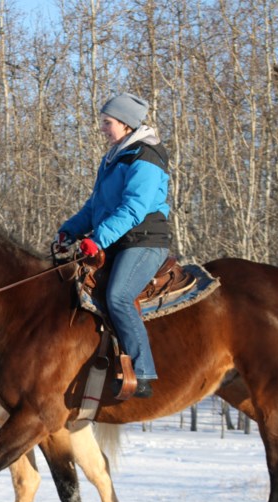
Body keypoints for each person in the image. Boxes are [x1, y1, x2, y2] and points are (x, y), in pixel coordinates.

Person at [54, 93, 171, 398]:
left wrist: (97, 239)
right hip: (118, 240)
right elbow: (96, 206)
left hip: (144, 241)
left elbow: (134, 208)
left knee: (118, 296)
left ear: (125, 123)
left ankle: (142, 370)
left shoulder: (145, 156)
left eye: (107, 122)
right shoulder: (115, 157)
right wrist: (70, 231)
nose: (103, 128)